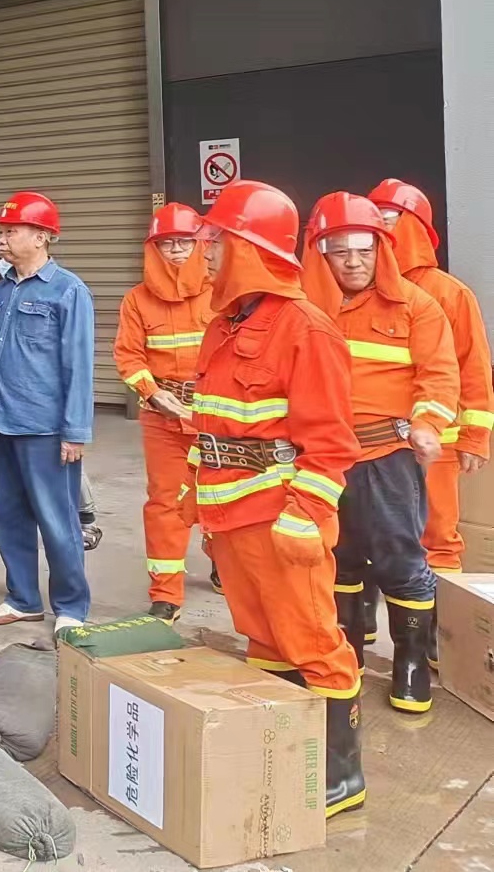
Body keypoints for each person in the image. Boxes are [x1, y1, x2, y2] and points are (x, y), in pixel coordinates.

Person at [190, 179, 364, 814]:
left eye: (216, 238)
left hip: (278, 517)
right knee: (263, 639)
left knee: (313, 641)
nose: (205, 249)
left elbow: (331, 442)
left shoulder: (306, 329)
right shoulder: (224, 325)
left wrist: (306, 515)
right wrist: (198, 501)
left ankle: (342, 775)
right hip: (232, 514)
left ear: (248, 246)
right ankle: (288, 751)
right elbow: (211, 425)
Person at [300, 193, 456, 714]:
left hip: (387, 455)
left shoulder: (417, 305)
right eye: (340, 251)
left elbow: (440, 375)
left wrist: (428, 424)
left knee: (399, 557)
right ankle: (347, 650)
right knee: (336, 554)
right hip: (322, 456)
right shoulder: (302, 310)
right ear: (320, 254)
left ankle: (411, 662)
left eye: (364, 250)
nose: (353, 262)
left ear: (382, 250)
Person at [369, 179, 493, 662]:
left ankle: (444, 639)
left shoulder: (449, 293)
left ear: (417, 228)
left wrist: (475, 436)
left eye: (390, 219)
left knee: (438, 537)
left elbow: (473, 367)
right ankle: (372, 627)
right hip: (375, 442)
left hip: (436, 443)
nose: (380, 229)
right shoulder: (356, 290)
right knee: (372, 532)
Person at [0, 192, 94, 633]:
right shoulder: (1, 290)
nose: (2, 239)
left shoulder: (68, 290)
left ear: (42, 237)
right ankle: (22, 598)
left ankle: (71, 606)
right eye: (2, 231)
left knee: (57, 520)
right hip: (2, 423)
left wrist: (75, 430)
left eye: (12, 231)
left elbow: (78, 364)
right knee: (6, 516)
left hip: (44, 427)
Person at [111, 202, 215, 622]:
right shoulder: (137, 300)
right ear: (153, 248)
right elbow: (128, 356)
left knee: (224, 495)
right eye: (166, 243)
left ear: (200, 244)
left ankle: (223, 561)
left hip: (217, 416)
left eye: (184, 242)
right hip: (163, 419)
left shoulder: (223, 290)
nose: (175, 250)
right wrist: (152, 393)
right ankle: (166, 593)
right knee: (166, 503)